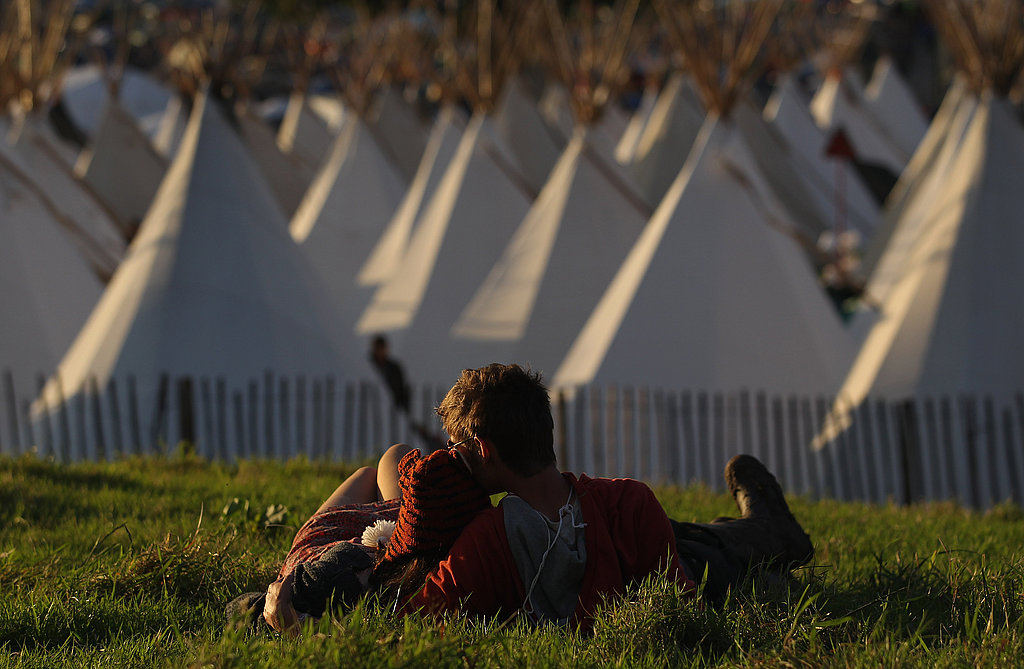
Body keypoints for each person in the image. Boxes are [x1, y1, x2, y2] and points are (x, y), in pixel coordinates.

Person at [252, 363, 814, 632]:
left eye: (457, 448)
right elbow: (679, 599)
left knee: (712, 545)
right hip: (675, 554)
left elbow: (405, 629)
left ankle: (770, 545)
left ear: (486, 451)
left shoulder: (484, 542)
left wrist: (290, 612)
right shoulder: (629, 498)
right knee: (706, 546)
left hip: (673, 557)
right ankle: (769, 551)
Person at [369, 334, 411, 413]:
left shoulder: (394, 368)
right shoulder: (368, 366)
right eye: (378, 348)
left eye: (382, 348)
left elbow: (401, 389)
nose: (380, 351)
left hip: (392, 409)